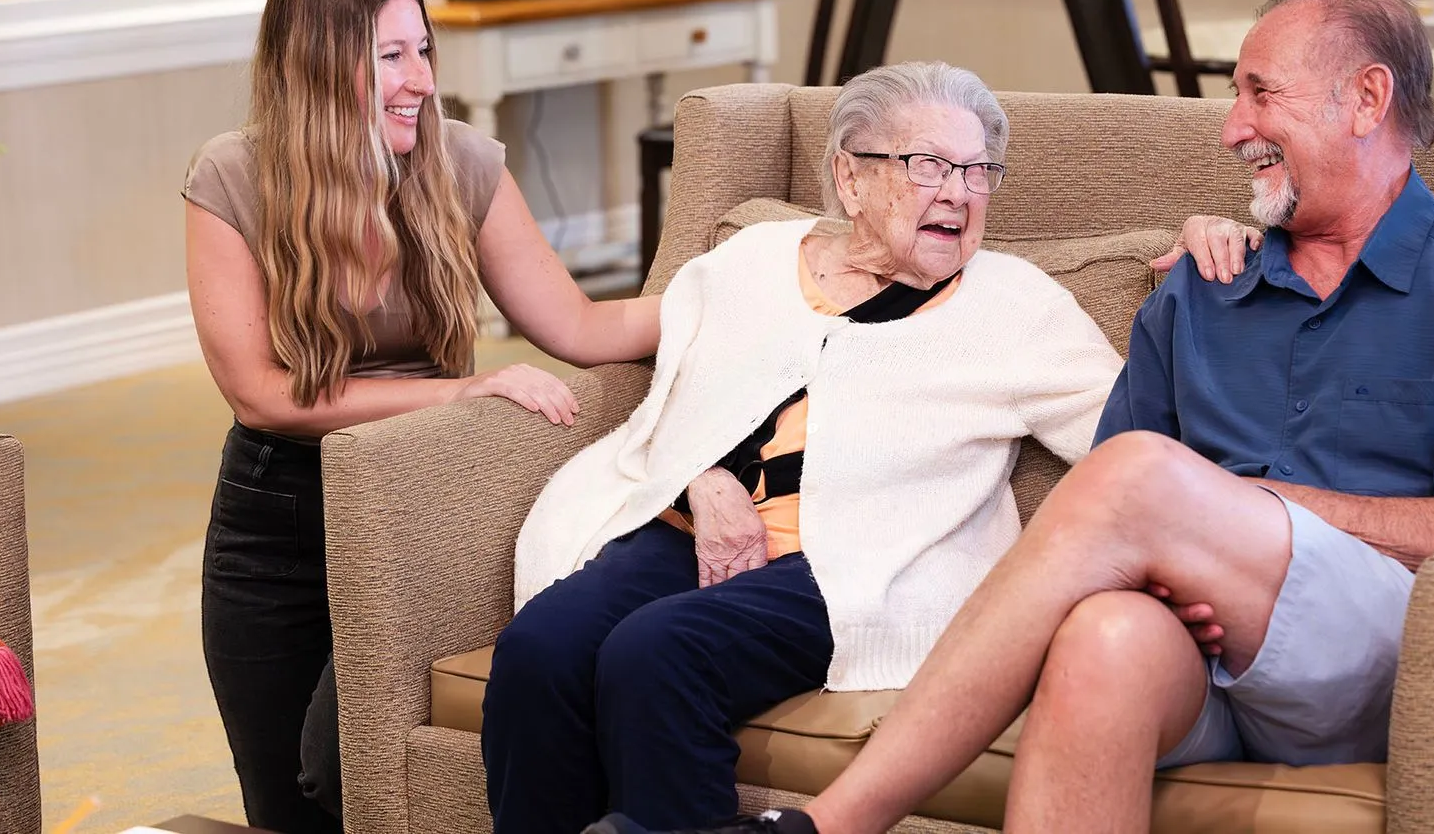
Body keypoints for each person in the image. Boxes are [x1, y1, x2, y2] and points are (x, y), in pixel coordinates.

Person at [589, 0, 1434, 834]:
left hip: (1388, 656)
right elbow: (1104, 513)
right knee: (1104, 638)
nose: (1233, 128)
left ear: (1367, 99)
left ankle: (832, 823)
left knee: (1148, 480)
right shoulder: (1202, 286)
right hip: (1206, 651)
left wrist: (1222, 518)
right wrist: (1174, 553)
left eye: (1260, 94)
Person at [484, 60, 1248, 834]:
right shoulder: (750, 261)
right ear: (850, 177)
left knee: (657, 654)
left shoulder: (1015, 308)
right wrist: (699, 478)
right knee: (538, 652)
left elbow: (1142, 449)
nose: (958, 191)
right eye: (928, 166)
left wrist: (1215, 287)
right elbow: (676, 392)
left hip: (853, 571)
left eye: (978, 171)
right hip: (689, 532)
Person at [182, 0, 661, 834]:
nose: (421, 81)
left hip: (418, 503)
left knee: (343, 769)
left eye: (424, 51)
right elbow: (260, 394)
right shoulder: (233, 179)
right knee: (282, 805)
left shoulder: (464, 164)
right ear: (321, 70)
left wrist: (738, 301)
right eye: (390, 58)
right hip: (274, 515)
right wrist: (456, 394)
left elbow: (580, 327)